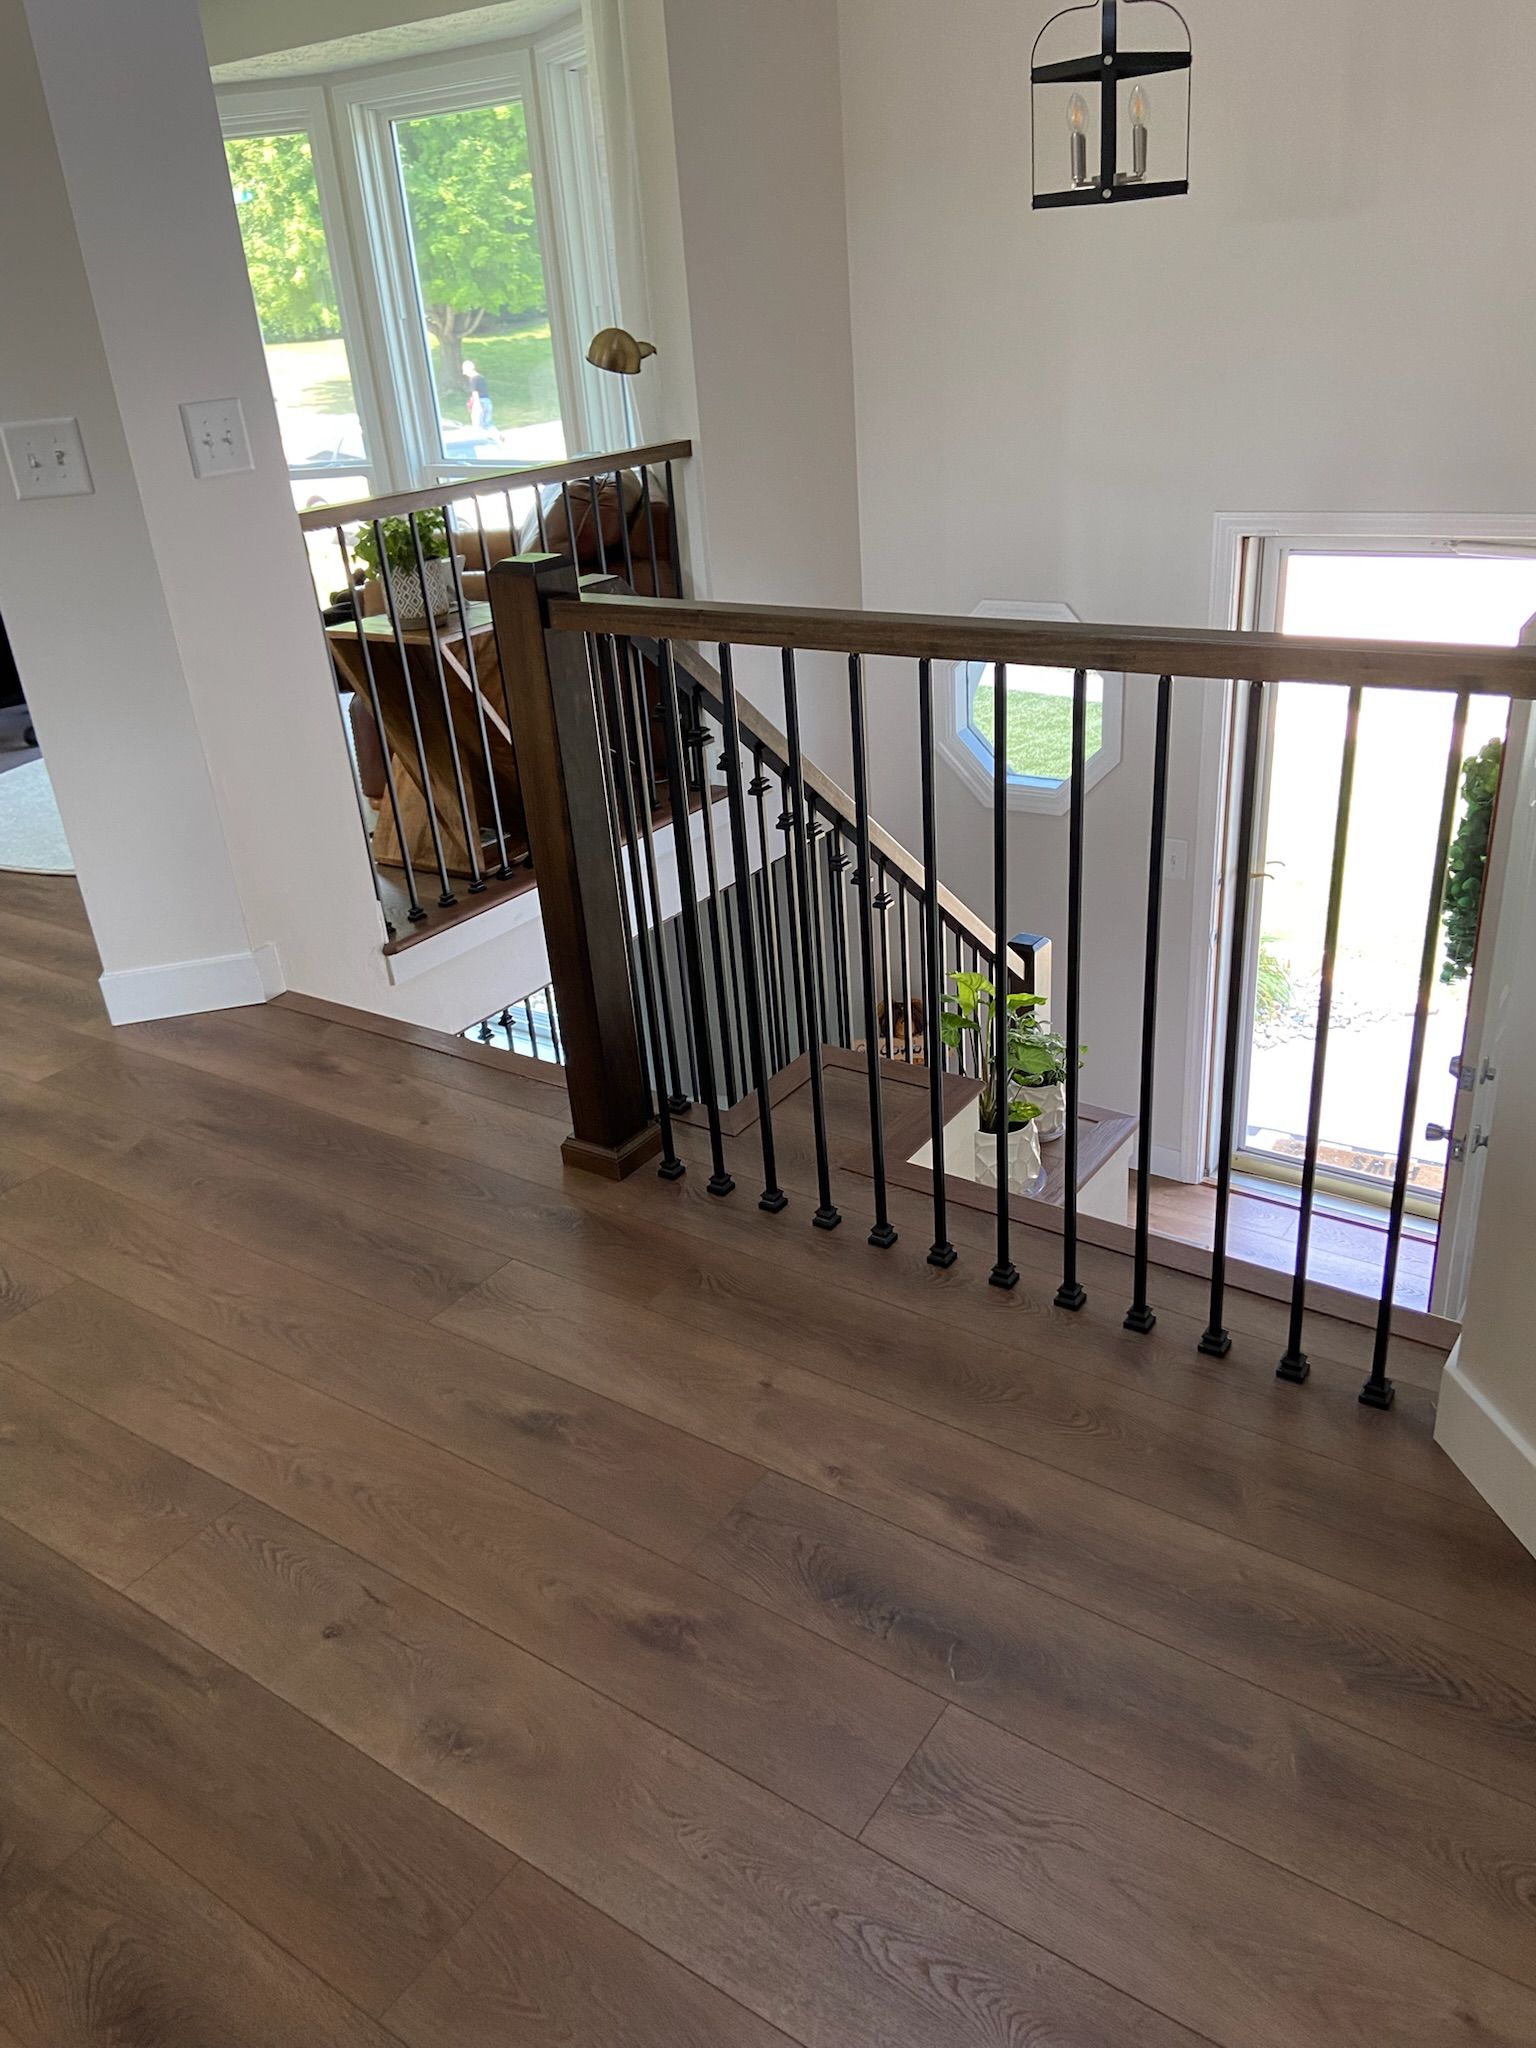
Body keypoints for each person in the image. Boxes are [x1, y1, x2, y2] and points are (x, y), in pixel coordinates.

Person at [463, 359, 493, 432]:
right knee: (487, 424)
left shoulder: (473, 379)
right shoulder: (481, 377)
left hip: (479, 402)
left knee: (477, 426)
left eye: (466, 372)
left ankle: (479, 440)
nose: (466, 374)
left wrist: (477, 405)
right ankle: (497, 435)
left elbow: (475, 393)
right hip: (487, 401)